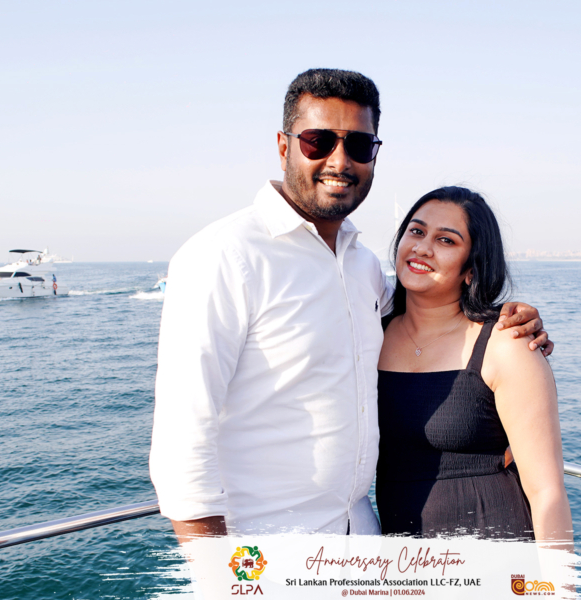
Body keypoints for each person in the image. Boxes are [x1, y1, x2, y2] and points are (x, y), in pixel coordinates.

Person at [149, 69, 551, 543]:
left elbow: (433, 317)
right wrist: (220, 576)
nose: (340, 161)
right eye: (318, 141)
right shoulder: (225, 256)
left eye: (359, 145)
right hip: (267, 550)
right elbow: (182, 439)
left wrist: (507, 319)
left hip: (363, 539)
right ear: (283, 145)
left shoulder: (362, 266)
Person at [375, 187, 573, 547]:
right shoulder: (369, 337)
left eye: (446, 240)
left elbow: (548, 492)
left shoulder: (506, 344)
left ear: (471, 268)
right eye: (416, 231)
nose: (422, 248)